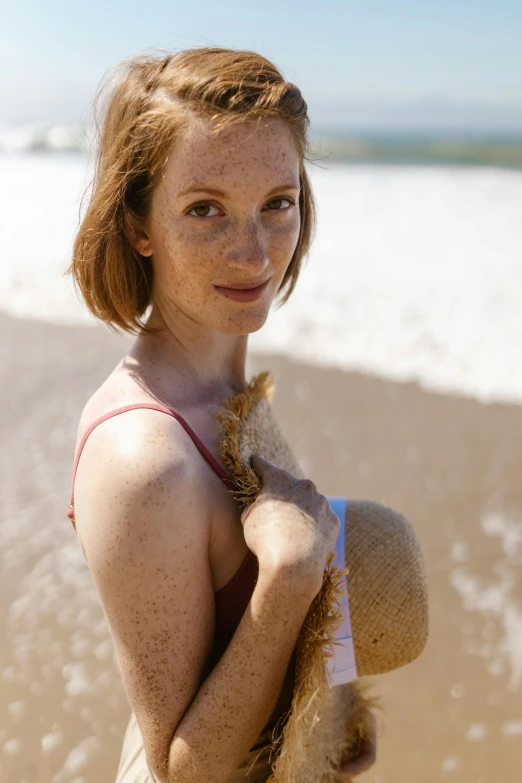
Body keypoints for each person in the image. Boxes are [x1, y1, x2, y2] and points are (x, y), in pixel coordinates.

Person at [66, 47, 377, 782]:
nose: (253, 250)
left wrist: (324, 721)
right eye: (204, 208)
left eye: (277, 202)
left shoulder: (229, 394)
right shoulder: (145, 459)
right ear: (139, 223)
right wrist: (290, 576)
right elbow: (181, 769)